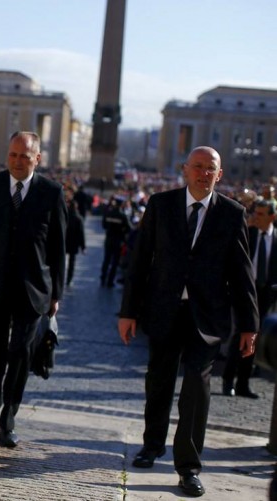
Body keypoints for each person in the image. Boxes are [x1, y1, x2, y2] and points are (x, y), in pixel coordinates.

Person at [118, 146, 259, 498]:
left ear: (219, 174)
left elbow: (242, 273)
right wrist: (128, 312)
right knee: (159, 383)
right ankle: (152, 446)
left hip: (207, 318)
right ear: (184, 170)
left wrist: (248, 325)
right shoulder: (161, 205)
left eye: (210, 168)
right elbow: (139, 261)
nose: (203, 173)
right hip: (163, 310)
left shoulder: (231, 213)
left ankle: (189, 467)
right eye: (197, 167)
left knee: (197, 386)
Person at [0, 131, 66, 448]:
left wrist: (57, 294)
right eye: (13, 155)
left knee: (21, 354)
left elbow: (58, 246)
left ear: (37, 158)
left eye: (24, 156)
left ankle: (8, 419)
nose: (17, 161)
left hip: (32, 289)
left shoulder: (51, 192)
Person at [223, 199, 277, 399]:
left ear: (272, 217)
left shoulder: (275, 239)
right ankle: (228, 380)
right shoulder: (248, 232)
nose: (257, 217)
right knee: (240, 334)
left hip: (266, 295)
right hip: (245, 291)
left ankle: (243, 383)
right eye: (256, 213)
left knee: (256, 336)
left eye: (262, 214)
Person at [100, 196, 131, 288]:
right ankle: (110, 281)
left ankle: (103, 279)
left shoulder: (108, 213)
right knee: (114, 262)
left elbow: (104, 225)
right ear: (121, 204)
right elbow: (129, 228)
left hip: (108, 240)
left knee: (106, 260)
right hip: (118, 241)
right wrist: (122, 231)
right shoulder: (123, 216)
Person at [65, 187, 85, 287]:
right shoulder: (79, 219)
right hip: (74, 244)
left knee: (61, 261)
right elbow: (81, 233)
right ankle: (69, 279)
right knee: (71, 263)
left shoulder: (64, 216)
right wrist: (83, 246)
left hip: (64, 242)